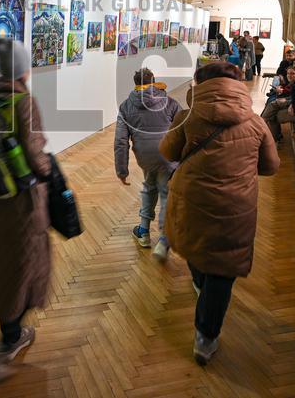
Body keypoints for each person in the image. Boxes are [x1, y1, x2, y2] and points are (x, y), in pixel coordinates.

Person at [159, 62, 279, 366]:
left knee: (197, 248)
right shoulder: (255, 123)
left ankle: (201, 288)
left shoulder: (187, 116)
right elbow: (270, 166)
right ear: (237, 86)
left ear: (200, 84)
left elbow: (168, 152)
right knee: (223, 267)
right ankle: (205, 338)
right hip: (235, 207)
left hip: (191, 201)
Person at [0, 38, 52, 373]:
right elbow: (35, 154)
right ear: (23, 70)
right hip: (21, 201)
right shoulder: (24, 101)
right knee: (23, 264)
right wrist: (50, 172)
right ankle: (11, 338)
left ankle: (7, 332)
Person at [114, 68, 182, 261]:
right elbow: (181, 129)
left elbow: (120, 140)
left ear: (135, 83)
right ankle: (164, 239)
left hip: (145, 157)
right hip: (168, 156)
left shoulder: (127, 106)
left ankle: (143, 232)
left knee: (149, 187)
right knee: (165, 192)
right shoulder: (169, 102)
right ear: (154, 81)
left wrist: (122, 170)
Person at [263, 59, 295, 142]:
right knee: (274, 106)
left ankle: (270, 135)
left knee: (274, 115)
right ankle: (272, 137)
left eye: (293, 73)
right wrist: (289, 101)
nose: (289, 76)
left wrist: (292, 105)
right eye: (288, 73)